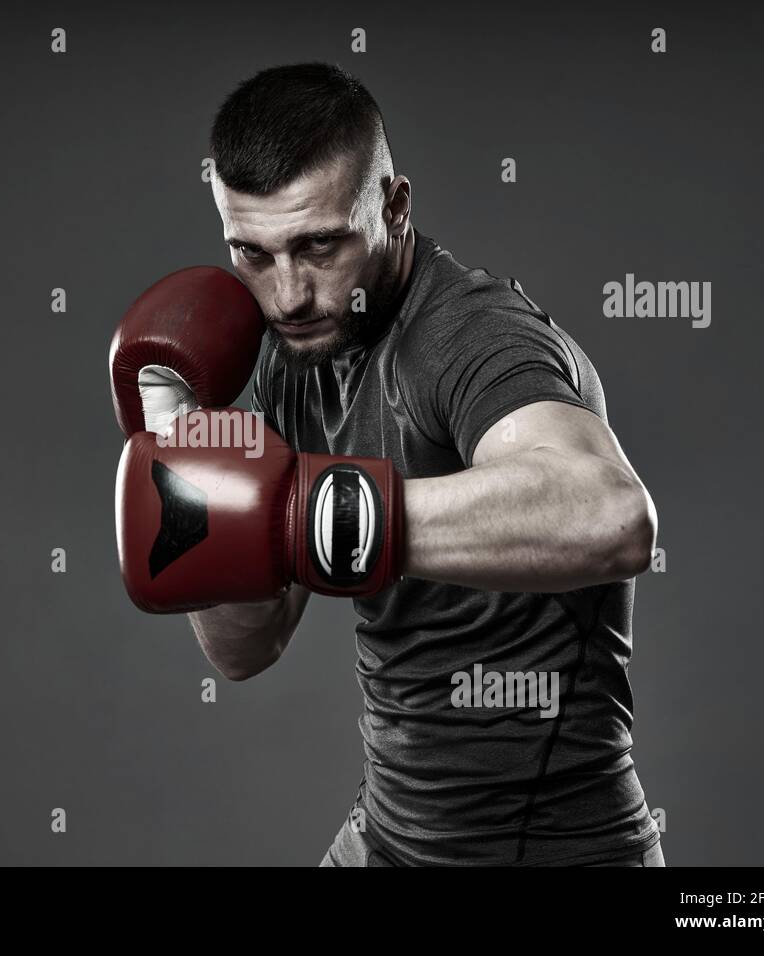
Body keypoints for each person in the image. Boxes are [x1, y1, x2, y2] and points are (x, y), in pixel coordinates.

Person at [113, 62, 664, 866]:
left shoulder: (470, 335)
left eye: (319, 245)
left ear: (395, 207)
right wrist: (181, 454)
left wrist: (308, 513)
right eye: (253, 255)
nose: (289, 295)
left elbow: (609, 516)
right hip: (390, 836)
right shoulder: (291, 357)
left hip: (547, 851)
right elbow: (245, 649)